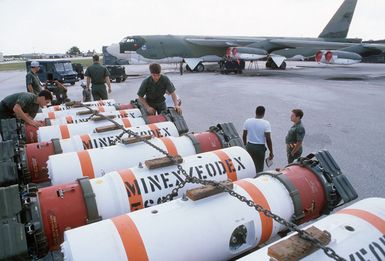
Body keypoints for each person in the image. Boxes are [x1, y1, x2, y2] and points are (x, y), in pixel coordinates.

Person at [242, 106, 274, 173]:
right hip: (260, 148)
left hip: (249, 146)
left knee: (249, 166)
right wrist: (271, 152)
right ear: (263, 113)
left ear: (255, 112)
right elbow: (268, 139)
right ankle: (256, 180)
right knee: (259, 168)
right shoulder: (266, 123)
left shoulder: (248, 121)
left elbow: (244, 135)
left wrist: (245, 145)